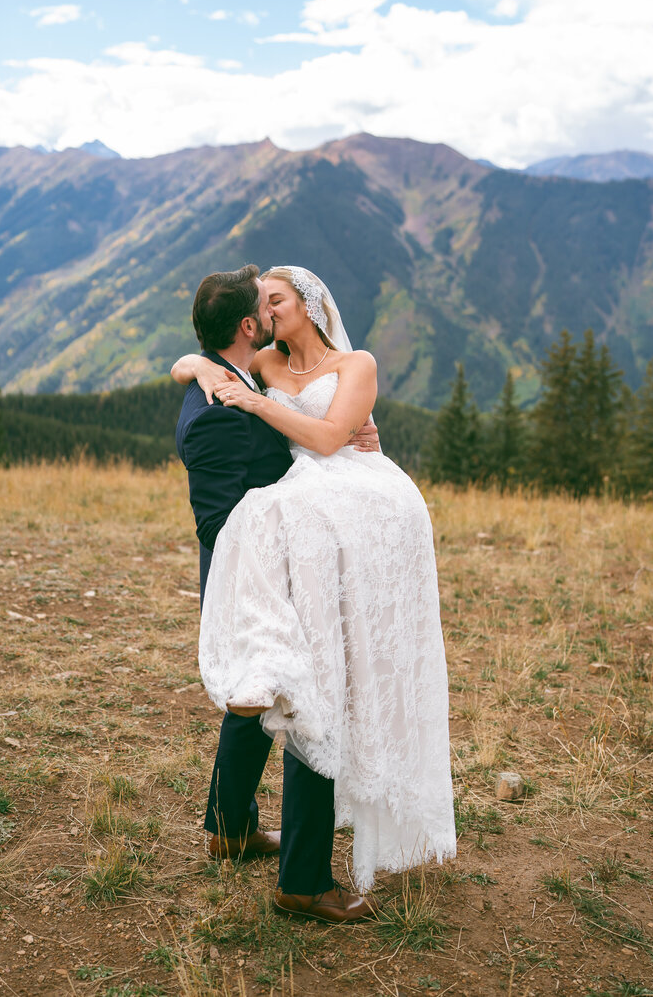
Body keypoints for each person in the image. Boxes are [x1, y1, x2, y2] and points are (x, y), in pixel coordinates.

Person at [174, 264, 379, 924]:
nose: (270, 312)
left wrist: (349, 442)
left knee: (255, 699)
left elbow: (292, 440)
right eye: (261, 306)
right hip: (261, 579)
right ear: (246, 325)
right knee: (309, 703)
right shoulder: (219, 407)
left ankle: (230, 828)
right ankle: (304, 881)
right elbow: (219, 523)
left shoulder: (233, 374)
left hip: (276, 572)